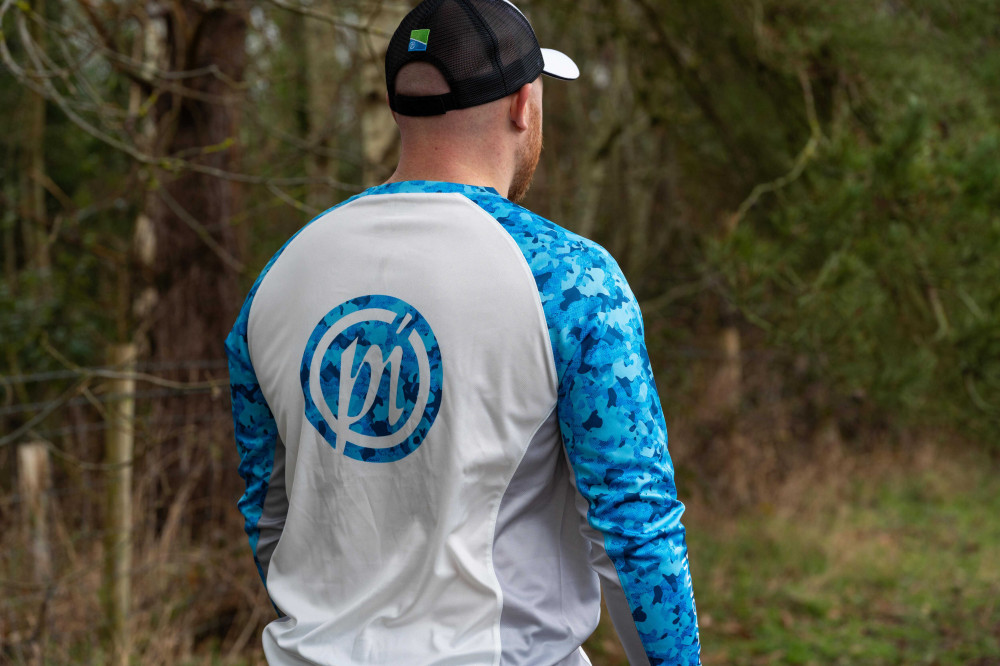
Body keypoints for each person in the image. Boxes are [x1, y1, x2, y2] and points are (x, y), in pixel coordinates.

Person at [225, 0, 701, 664]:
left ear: (398, 108)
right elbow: (635, 530)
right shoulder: (569, 280)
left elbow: (268, 513)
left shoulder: (282, 276)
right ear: (523, 105)